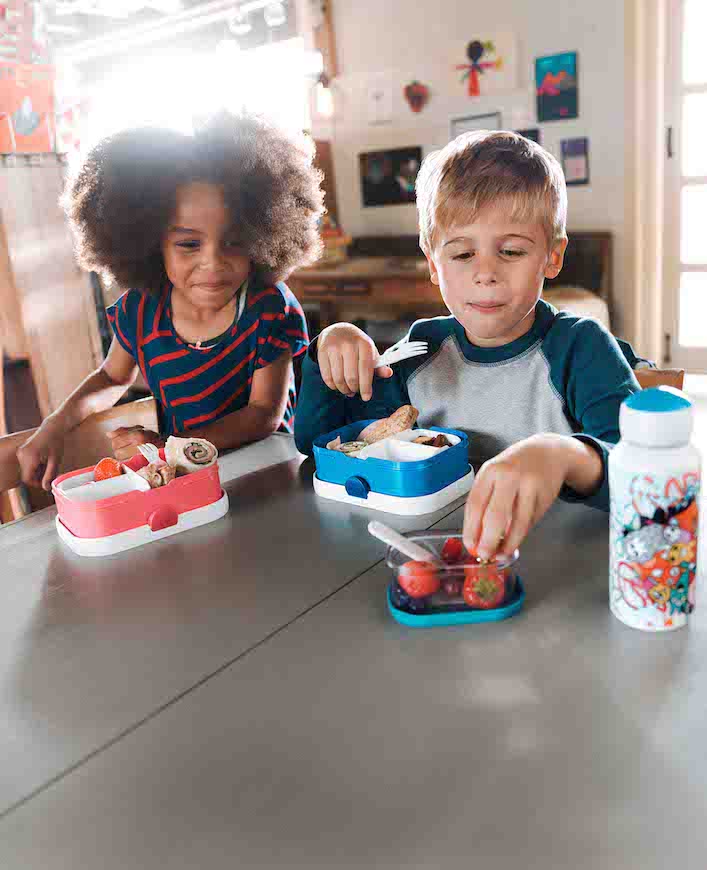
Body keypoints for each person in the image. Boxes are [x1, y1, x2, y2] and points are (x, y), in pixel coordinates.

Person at [294, 130, 643, 560]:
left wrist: (565, 455)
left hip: (562, 566)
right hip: (438, 559)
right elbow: (323, 446)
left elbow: (643, 476)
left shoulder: (581, 349)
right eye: (462, 255)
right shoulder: (420, 350)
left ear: (552, 256)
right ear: (433, 263)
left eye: (511, 251)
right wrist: (327, 351)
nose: (485, 273)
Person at [18, 111, 324, 490]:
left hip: (269, 474)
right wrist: (54, 426)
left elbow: (263, 414)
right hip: (184, 479)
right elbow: (112, 377)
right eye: (189, 244)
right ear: (152, 244)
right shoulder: (140, 309)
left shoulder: (268, 308)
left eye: (234, 241)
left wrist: (170, 446)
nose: (213, 262)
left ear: (261, 237)